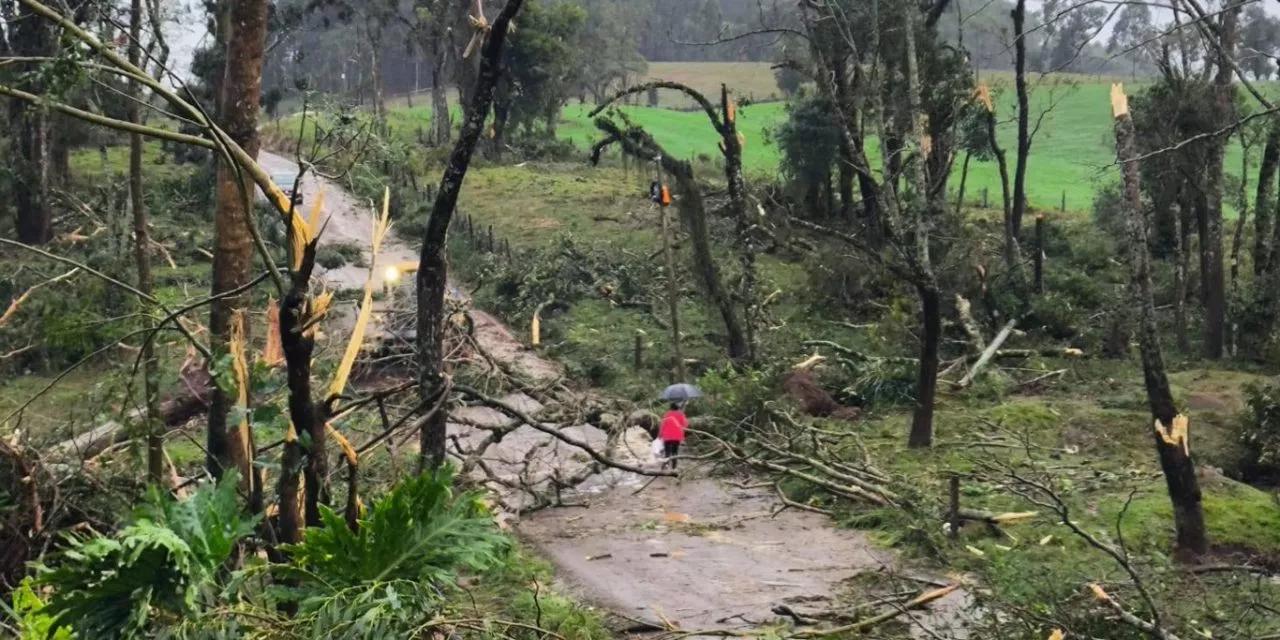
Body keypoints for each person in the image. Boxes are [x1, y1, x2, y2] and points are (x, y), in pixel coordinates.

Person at [658, 402, 688, 470]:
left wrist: (660, 434)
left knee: (667, 452)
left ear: (671, 407)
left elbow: (662, 425)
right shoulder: (681, 414)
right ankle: (674, 467)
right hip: (677, 437)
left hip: (667, 436)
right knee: (675, 452)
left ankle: (665, 466)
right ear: (678, 407)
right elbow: (685, 425)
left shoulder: (667, 414)